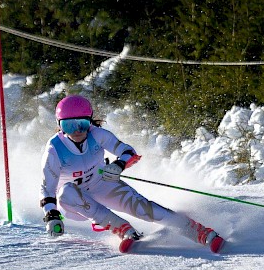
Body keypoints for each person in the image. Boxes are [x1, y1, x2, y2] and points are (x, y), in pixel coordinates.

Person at [39, 95, 225, 253]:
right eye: (70, 126)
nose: (78, 131)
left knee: (145, 209)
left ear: (90, 122)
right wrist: (52, 216)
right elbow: (47, 187)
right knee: (66, 191)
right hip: (76, 203)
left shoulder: (98, 134)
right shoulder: (54, 148)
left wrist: (118, 165)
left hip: (102, 185)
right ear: (60, 126)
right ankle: (123, 229)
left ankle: (202, 233)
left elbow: (128, 151)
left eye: (82, 124)